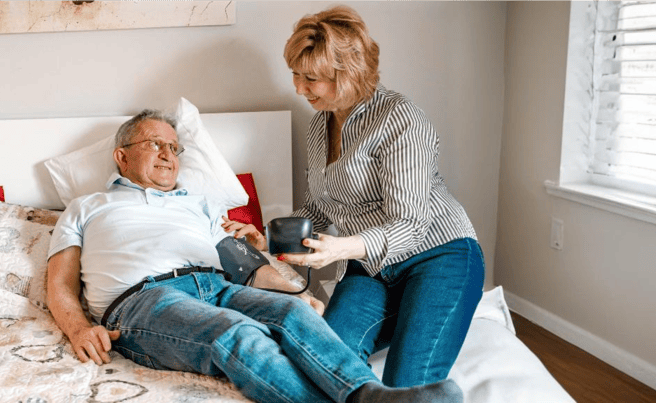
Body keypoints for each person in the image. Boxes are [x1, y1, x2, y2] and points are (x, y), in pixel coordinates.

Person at [46, 110, 463, 403]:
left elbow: (248, 269)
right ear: (122, 155)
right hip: (144, 301)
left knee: (294, 316)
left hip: (216, 285)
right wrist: (80, 328)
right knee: (238, 334)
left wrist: (294, 293)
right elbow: (60, 284)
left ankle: (368, 396)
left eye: (174, 147)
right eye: (155, 144)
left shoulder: (201, 206)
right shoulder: (86, 207)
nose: (169, 154)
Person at [271, 5, 487, 389]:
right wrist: (267, 239)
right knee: (326, 364)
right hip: (371, 268)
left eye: (311, 78)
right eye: (295, 74)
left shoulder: (401, 119)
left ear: (348, 72)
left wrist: (339, 249)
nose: (299, 88)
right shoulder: (319, 124)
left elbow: (411, 224)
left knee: (407, 382)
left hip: (439, 255)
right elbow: (318, 209)